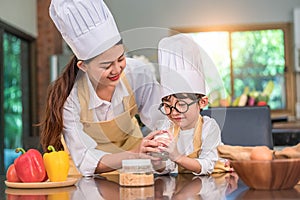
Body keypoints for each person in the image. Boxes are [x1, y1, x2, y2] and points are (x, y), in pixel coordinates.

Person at [40, 0, 164, 176]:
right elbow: (85, 159)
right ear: (83, 66)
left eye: (121, 58)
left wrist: (161, 145)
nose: (117, 69)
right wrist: (135, 153)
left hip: (136, 170)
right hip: (89, 179)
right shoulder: (71, 99)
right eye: (106, 66)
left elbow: (161, 118)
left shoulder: (138, 73)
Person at [149, 34, 229, 175]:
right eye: (167, 106)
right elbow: (165, 168)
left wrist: (178, 157)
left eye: (181, 105)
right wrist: (157, 162)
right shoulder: (167, 127)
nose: (173, 112)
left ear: (202, 102)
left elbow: (206, 165)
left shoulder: (209, 127)